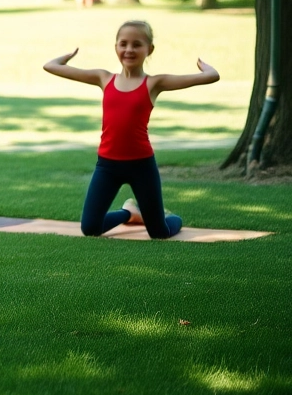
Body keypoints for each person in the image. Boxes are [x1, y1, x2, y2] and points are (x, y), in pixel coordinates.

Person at [43, 20, 219, 239]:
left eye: (137, 44)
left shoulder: (154, 83)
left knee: (159, 232)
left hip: (141, 166)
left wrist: (205, 67)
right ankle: (129, 213)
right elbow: (51, 66)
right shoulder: (104, 78)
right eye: (123, 44)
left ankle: (174, 218)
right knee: (90, 228)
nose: (129, 49)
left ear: (149, 49)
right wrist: (68, 56)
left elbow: (212, 76)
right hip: (107, 166)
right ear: (116, 47)